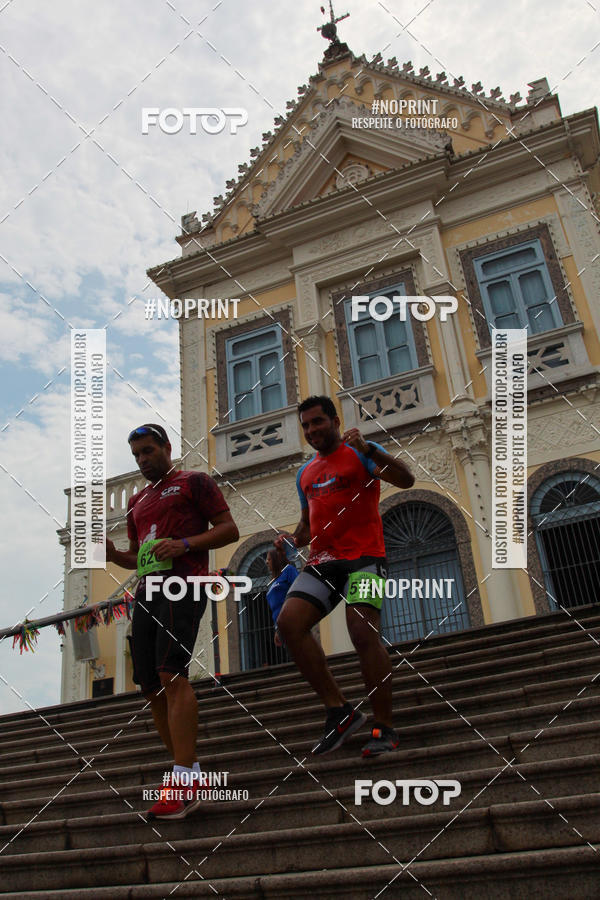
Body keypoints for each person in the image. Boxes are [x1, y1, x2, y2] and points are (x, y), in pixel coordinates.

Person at [106, 423, 239, 818]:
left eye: (148, 451)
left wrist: (183, 544)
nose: (143, 460)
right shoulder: (137, 503)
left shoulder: (193, 482)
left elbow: (229, 530)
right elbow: (138, 557)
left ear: (166, 447)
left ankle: (182, 777)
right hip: (148, 592)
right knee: (150, 688)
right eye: (136, 455)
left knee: (170, 674)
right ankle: (190, 774)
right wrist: (115, 557)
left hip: (185, 584)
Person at [275, 396, 414, 757]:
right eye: (305, 425)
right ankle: (339, 711)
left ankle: (384, 726)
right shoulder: (304, 473)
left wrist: (372, 451)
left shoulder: (362, 452)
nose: (311, 430)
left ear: (335, 421)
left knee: (362, 631)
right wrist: (290, 540)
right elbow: (307, 527)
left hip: (367, 558)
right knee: (290, 622)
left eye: (317, 422)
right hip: (323, 561)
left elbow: (407, 480)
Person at [265, 546, 298, 647]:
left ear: (276, 559)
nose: (266, 562)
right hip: (281, 626)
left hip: (292, 621)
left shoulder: (288, 570)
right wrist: (277, 629)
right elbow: (275, 609)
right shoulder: (274, 581)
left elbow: (297, 591)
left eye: (269, 559)